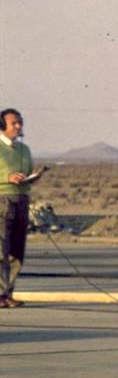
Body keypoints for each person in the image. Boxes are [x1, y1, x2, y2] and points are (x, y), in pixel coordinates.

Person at [0, 108, 34, 307]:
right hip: (2, 199)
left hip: (21, 199)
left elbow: (27, 172)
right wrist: (7, 178)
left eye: (20, 122)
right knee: (1, 249)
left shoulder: (24, 150)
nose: (18, 127)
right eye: (14, 123)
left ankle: (8, 293)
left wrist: (31, 177)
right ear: (2, 126)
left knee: (16, 250)